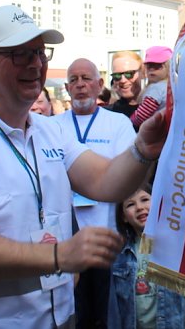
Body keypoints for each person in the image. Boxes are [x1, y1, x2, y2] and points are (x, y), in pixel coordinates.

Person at [0, 5, 167, 328]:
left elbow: (105, 180)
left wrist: (144, 149)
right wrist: (59, 256)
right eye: (19, 54)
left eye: (40, 53)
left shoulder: (48, 130)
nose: (35, 64)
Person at [57, 58, 136, 329]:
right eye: (74, 80)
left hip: (107, 236)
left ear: (100, 84)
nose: (80, 85)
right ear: (67, 88)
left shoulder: (119, 124)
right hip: (65, 239)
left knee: (108, 313)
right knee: (75, 312)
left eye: (86, 78)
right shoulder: (52, 126)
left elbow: (126, 174)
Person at [108, 188, 185, 329]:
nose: (140, 207)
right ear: (123, 217)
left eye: (145, 200)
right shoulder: (119, 257)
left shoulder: (179, 249)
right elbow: (114, 310)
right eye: (130, 204)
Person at [130, 46, 171, 130]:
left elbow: (141, 115)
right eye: (148, 66)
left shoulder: (157, 88)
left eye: (157, 66)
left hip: (154, 131)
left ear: (168, 66)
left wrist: (127, 123)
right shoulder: (172, 86)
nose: (151, 69)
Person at [108, 51, 143, 118]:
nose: (123, 80)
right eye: (117, 75)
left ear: (143, 73)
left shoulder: (158, 109)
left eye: (129, 74)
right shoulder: (108, 114)